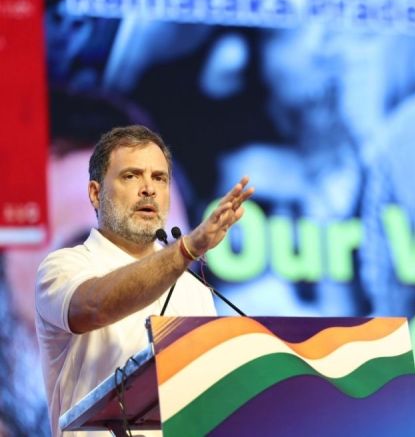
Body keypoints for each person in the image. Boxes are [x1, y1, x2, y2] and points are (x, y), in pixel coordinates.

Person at [35, 125, 254, 437]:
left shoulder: (193, 289)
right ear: (95, 193)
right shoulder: (63, 266)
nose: (149, 189)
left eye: (159, 178)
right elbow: (95, 307)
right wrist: (186, 250)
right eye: (131, 176)